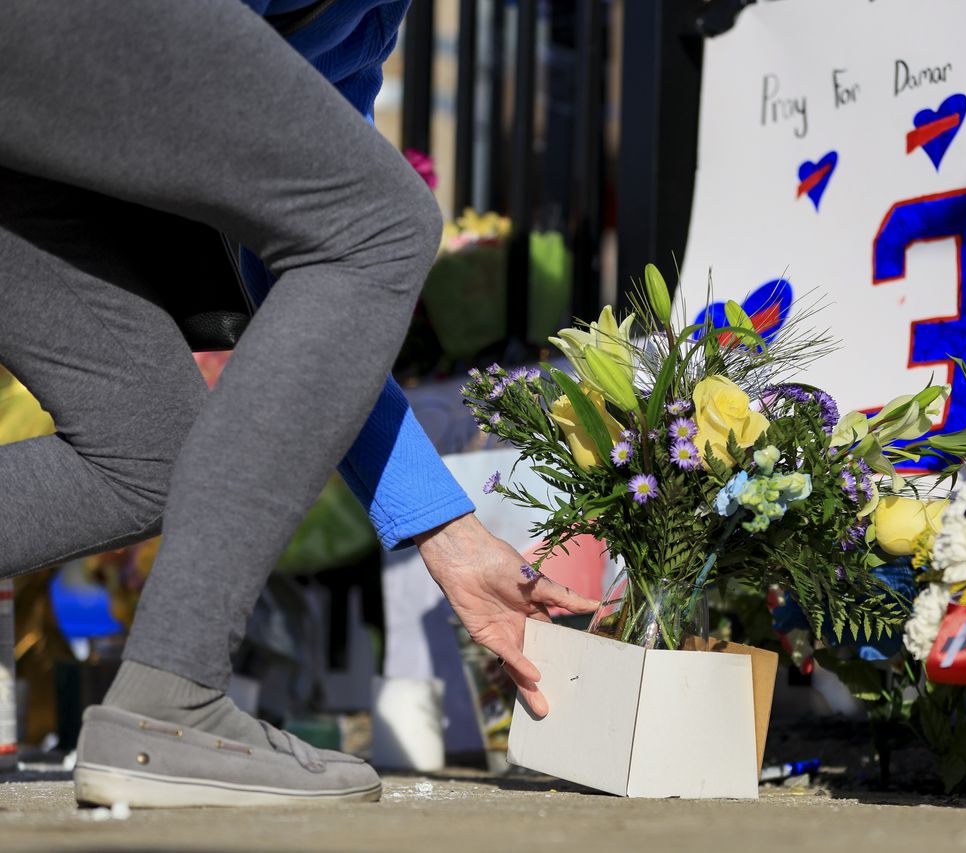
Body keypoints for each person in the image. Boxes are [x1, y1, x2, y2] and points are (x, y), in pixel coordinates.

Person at [0, 0, 594, 808]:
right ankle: (172, 702)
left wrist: (445, 531)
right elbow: (363, 232)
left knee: (146, 450)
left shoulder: (362, 29)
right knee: (382, 221)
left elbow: (319, 270)